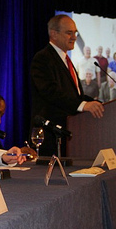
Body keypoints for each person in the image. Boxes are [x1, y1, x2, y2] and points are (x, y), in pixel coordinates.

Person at [30, 14, 104, 156]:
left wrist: (98, 104)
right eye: (69, 33)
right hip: (51, 137)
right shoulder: (43, 58)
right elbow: (50, 92)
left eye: (75, 33)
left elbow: (75, 95)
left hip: (69, 135)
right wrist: (82, 105)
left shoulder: (65, 59)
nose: (74, 37)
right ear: (54, 34)